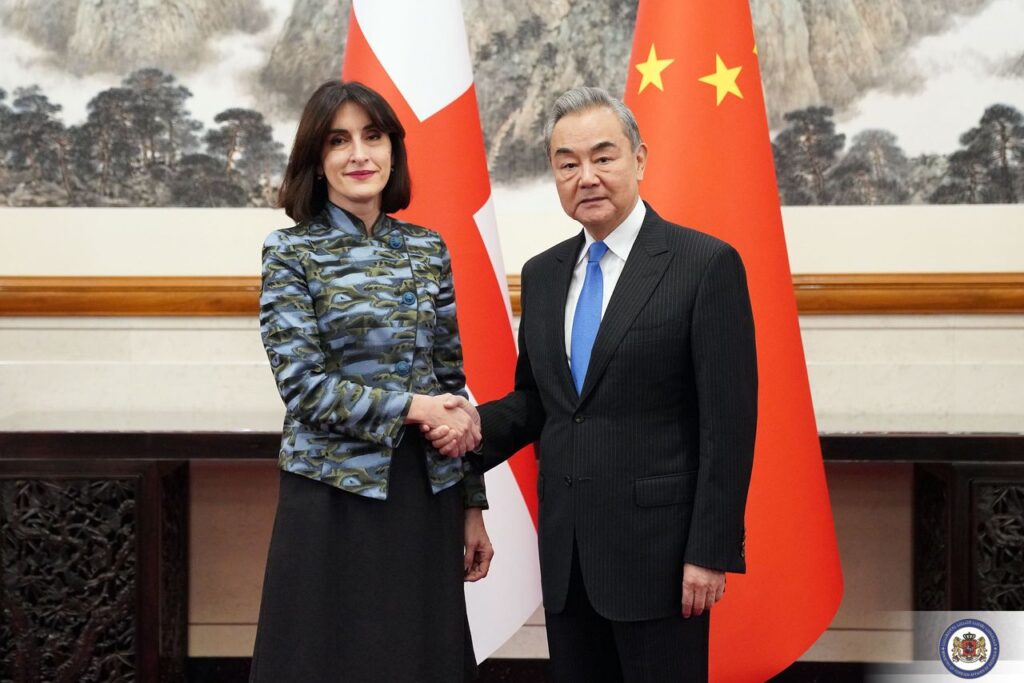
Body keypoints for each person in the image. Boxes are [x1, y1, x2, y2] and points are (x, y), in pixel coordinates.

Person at [426, 86, 758, 682]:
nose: (587, 177)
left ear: (639, 159)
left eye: (604, 157)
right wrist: (464, 427)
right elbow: (539, 402)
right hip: (568, 557)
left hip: (662, 560)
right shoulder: (544, 274)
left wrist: (709, 552)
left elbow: (728, 426)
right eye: (568, 164)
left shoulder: (704, 265)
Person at [251, 80, 493, 683]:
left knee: (418, 660)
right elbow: (304, 388)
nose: (359, 154)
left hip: (423, 493)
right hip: (329, 495)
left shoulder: (427, 249)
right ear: (317, 159)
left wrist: (472, 505)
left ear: (392, 150)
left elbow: (452, 384)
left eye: (373, 136)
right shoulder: (290, 252)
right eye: (339, 141)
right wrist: (416, 407)